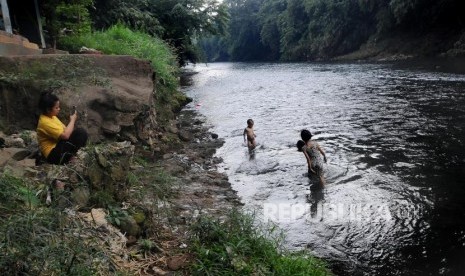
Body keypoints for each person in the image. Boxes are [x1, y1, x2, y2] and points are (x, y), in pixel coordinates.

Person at [36, 92, 88, 165]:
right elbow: (65, 135)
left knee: (80, 133)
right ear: (48, 110)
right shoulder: (44, 122)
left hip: (58, 146)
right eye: (56, 108)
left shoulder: (52, 117)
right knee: (80, 133)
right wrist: (72, 120)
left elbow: (66, 131)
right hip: (52, 155)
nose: (59, 109)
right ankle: (71, 158)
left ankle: (72, 157)